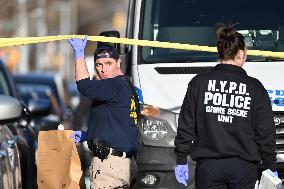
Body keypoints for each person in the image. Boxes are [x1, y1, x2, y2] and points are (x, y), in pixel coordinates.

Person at [174, 24, 278, 188]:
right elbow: (265, 131)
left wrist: (181, 158)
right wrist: (270, 164)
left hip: (208, 168)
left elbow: (186, 125)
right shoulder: (255, 87)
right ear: (241, 54)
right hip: (244, 168)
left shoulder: (199, 83)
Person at [68, 36, 139, 189]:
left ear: (118, 62)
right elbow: (120, 124)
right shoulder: (125, 85)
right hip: (124, 164)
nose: (103, 69)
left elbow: (84, 86)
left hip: (110, 166)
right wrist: (89, 135)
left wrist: (79, 54)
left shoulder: (114, 85)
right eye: (98, 64)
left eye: (108, 63)